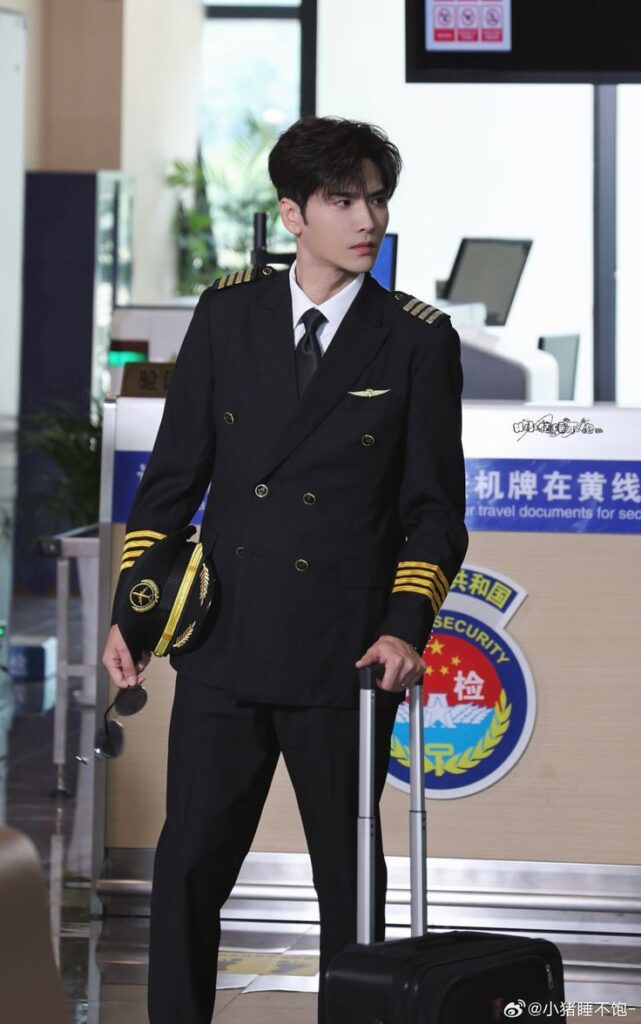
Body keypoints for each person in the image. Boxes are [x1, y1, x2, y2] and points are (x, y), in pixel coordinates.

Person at [102, 115, 468, 1024]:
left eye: (376, 199)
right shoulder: (227, 315)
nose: (367, 218)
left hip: (345, 655)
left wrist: (404, 630)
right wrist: (133, 617)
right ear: (292, 214)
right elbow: (173, 480)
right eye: (343, 200)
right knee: (189, 866)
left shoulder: (414, 339)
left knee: (347, 881)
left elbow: (433, 512)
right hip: (223, 642)